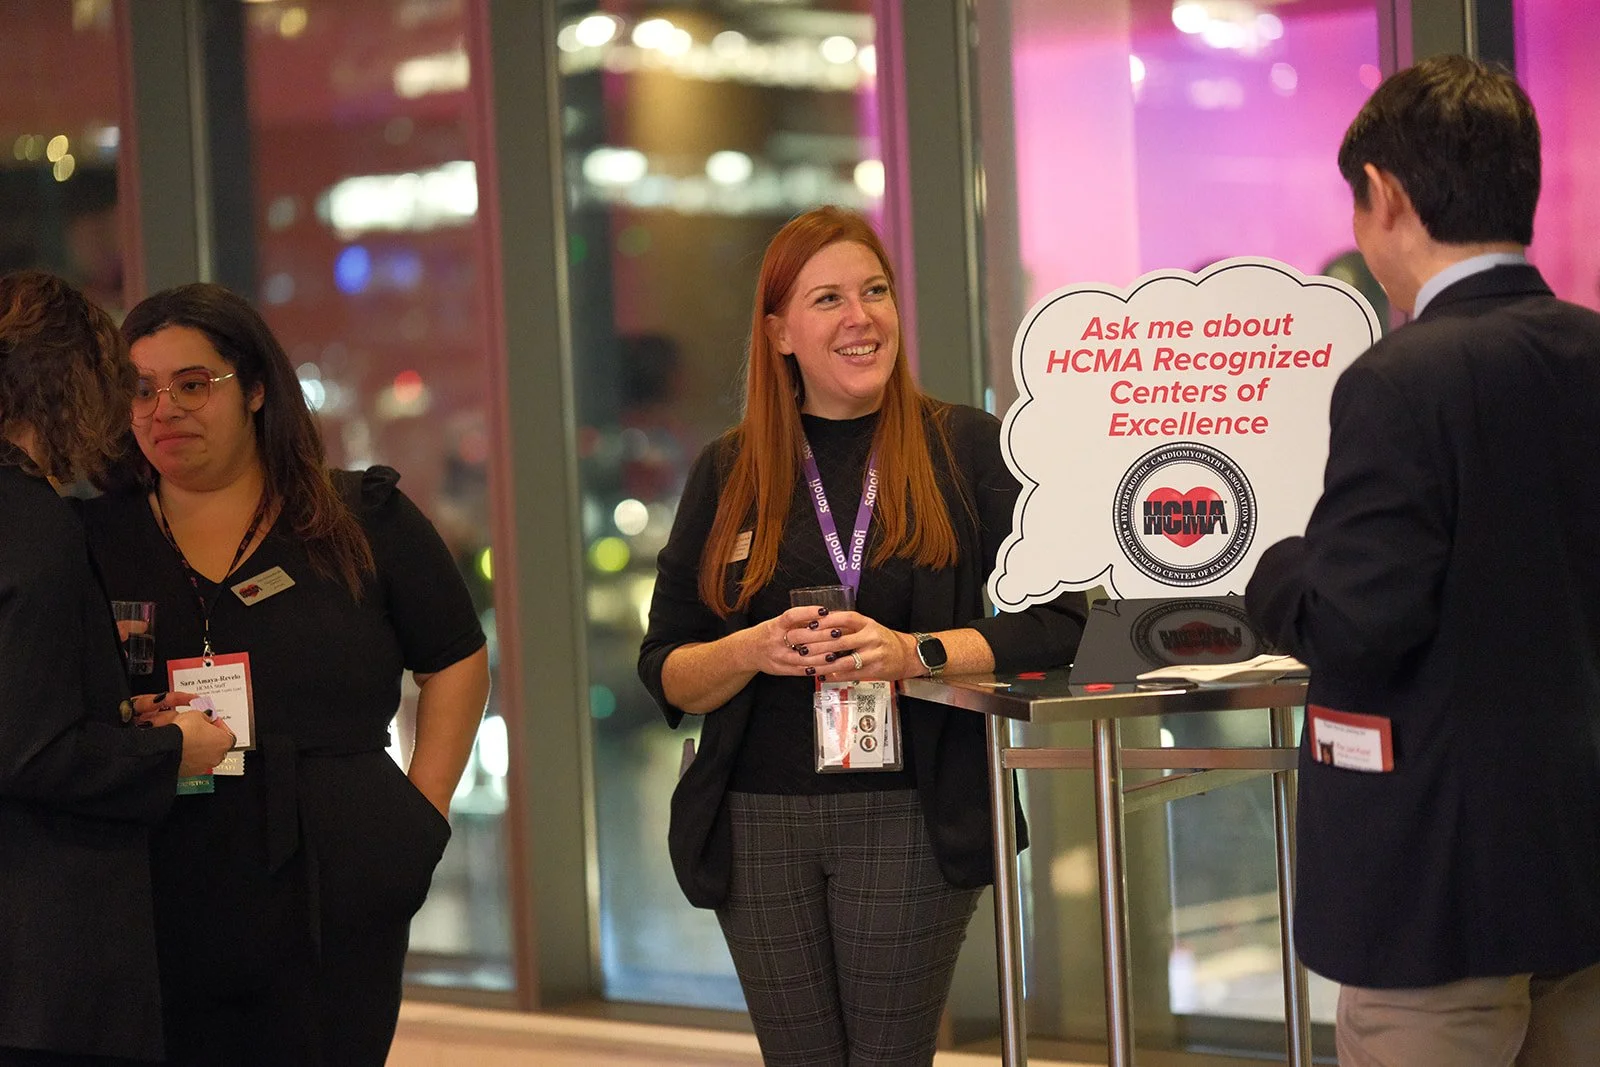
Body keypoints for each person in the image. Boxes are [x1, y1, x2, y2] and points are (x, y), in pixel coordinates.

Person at [638, 207, 1086, 1067]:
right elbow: (666, 669)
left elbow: (1063, 621)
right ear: (779, 332)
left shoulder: (965, 447)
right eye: (830, 298)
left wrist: (916, 652)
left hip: (909, 811)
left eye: (875, 291)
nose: (860, 317)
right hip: (754, 818)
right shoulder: (728, 471)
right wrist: (748, 649)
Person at [1246, 56, 1600, 1066]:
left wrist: (1275, 566)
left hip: (1437, 897)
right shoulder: (1587, 352)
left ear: (1387, 197)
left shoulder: (1402, 379)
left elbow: (1357, 627)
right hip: (1577, 868)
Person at [82, 283, 491, 1067]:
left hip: (338, 874)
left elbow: (456, 657)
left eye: (193, 384)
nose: (163, 408)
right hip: (156, 872)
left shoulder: (358, 518)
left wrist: (423, 813)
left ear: (258, 388)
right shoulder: (93, 541)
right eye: (140, 389)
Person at [0, 271, 234, 1066]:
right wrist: (175, 751)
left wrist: (121, 717)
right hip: (46, 970)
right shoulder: (36, 526)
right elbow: (31, 751)